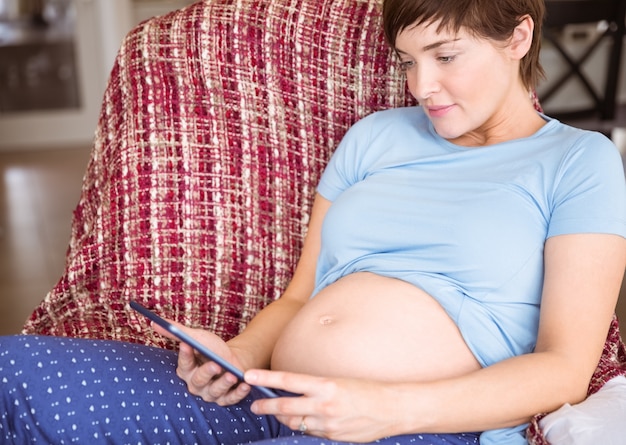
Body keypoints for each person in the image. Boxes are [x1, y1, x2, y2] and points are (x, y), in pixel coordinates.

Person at [1, 0, 625, 443]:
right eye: (407, 61)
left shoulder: (577, 160)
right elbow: (302, 294)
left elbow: (565, 366)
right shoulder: (375, 137)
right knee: (10, 373)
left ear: (518, 37)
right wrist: (237, 355)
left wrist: (387, 409)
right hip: (271, 394)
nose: (422, 86)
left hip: (415, 425)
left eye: (445, 56)